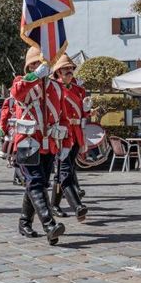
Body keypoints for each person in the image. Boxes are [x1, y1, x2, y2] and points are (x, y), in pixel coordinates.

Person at [10, 46, 67, 245]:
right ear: (29, 67)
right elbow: (17, 92)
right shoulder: (23, 82)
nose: (39, 66)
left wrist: (65, 142)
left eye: (42, 63)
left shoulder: (56, 87)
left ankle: (24, 222)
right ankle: (49, 225)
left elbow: (62, 116)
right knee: (35, 182)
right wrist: (35, 76)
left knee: (39, 184)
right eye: (35, 63)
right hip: (28, 142)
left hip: (49, 142)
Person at [50, 53, 90, 222]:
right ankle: (77, 206)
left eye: (71, 68)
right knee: (65, 171)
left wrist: (87, 109)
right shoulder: (53, 88)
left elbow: (83, 114)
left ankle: (54, 205)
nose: (69, 71)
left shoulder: (79, 90)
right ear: (58, 71)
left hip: (76, 134)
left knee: (65, 170)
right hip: (61, 135)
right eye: (65, 68)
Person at [0, 94, 25, 186]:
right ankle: (19, 177)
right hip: (13, 130)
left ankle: (17, 177)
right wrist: (3, 129)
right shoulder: (10, 101)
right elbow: (4, 115)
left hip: (24, 129)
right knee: (17, 154)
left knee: (20, 154)